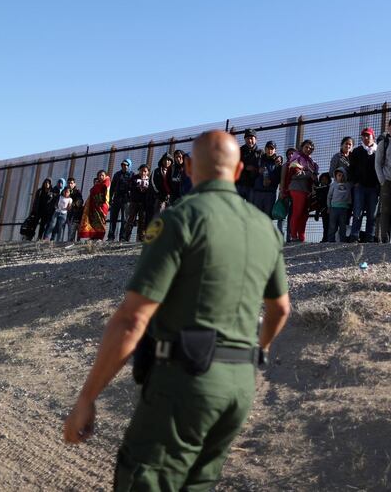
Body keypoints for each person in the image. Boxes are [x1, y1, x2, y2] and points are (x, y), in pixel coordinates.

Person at [63, 129, 291, 491]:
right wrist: (259, 348)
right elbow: (279, 309)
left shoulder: (179, 220)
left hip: (186, 380)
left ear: (187, 167)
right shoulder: (265, 228)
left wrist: (87, 397)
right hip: (240, 386)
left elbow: (132, 318)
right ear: (237, 172)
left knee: (144, 478)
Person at [348, 128, 380, 243]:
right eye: (364, 136)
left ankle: (370, 236)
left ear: (373, 137)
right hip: (360, 187)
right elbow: (351, 169)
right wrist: (355, 182)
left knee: (372, 214)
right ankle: (354, 236)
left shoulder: (378, 151)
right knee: (357, 212)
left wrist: (378, 184)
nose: (366, 138)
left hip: (373, 187)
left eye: (368, 136)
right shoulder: (357, 151)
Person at [285, 140, 318, 242]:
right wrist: (309, 174)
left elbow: (313, 175)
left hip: (307, 191)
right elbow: (295, 174)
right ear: (302, 147)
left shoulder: (311, 162)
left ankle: (301, 236)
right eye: (306, 147)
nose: (308, 149)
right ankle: (294, 235)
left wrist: (314, 176)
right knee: (297, 212)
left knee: (304, 215)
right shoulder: (297, 157)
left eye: (310, 148)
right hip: (297, 189)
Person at [250, 140, 282, 218]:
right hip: (257, 192)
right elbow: (252, 175)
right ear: (265, 149)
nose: (270, 150)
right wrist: (258, 171)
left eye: (272, 149)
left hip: (270, 194)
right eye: (268, 148)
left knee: (267, 219)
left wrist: (271, 181)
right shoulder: (259, 160)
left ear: (275, 150)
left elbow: (279, 178)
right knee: (255, 217)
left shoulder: (277, 163)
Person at [78, 170, 110, 240]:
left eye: (102, 175)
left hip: (102, 207)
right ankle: (94, 236)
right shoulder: (96, 185)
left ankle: (100, 237)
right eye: (99, 175)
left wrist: (101, 202)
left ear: (105, 176)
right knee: (94, 222)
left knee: (101, 222)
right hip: (94, 207)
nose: (101, 177)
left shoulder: (106, 183)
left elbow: (106, 195)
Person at [107, 159, 133, 241]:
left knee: (124, 219)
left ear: (129, 166)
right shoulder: (117, 174)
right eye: (123, 165)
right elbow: (112, 188)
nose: (124, 166)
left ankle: (122, 237)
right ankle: (111, 237)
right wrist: (110, 199)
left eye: (126, 165)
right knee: (113, 219)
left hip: (126, 200)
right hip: (117, 198)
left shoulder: (132, 175)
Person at [123, 164, 150, 242]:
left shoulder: (149, 180)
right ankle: (126, 237)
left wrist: (146, 190)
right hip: (134, 201)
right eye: (141, 170)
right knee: (131, 219)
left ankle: (140, 238)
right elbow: (129, 187)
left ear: (148, 172)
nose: (143, 172)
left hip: (144, 203)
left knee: (142, 220)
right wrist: (137, 187)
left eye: (145, 171)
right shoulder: (134, 178)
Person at [236, 128, 262, 201]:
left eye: (251, 138)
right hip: (239, 184)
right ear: (245, 139)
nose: (250, 140)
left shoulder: (260, 153)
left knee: (249, 208)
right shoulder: (239, 151)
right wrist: (245, 167)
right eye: (247, 138)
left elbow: (263, 167)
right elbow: (234, 164)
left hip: (253, 186)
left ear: (256, 139)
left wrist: (255, 169)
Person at [327, 167, 352, 242]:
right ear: (335, 176)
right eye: (339, 175)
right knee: (332, 225)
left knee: (343, 226)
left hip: (344, 209)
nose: (340, 177)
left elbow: (349, 195)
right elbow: (329, 196)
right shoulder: (333, 185)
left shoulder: (348, 185)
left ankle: (342, 241)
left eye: (342, 175)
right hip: (334, 208)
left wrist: (349, 204)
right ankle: (330, 240)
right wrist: (329, 207)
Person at [148, 153, 173, 226]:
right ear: (162, 161)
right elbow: (152, 183)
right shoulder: (156, 171)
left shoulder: (174, 171)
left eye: (169, 160)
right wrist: (158, 193)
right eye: (165, 160)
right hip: (159, 198)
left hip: (171, 198)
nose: (167, 161)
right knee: (158, 217)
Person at [278, 147, 296, 241]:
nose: (291, 155)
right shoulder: (285, 165)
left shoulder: (298, 165)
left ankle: (289, 238)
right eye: (289, 154)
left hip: (294, 194)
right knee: (282, 216)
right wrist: (281, 192)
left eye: (293, 153)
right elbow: (282, 179)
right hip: (285, 194)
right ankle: (280, 238)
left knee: (292, 217)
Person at [312, 172, 331, 242]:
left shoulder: (329, 188)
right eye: (322, 179)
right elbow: (318, 202)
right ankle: (325, 238)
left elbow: (318, 188)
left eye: (326, 179)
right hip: (323, 210)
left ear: (329, 180)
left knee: (330, 225)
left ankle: (329, 239)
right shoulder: (320, 189)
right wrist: (317, 213)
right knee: (325, 225)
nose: (324, 181)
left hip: (330, 209)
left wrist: (316, 183)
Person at [66, 178, 84, 242]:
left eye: (71, 183)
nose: (70, 184)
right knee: (71, 232)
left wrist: (72, 204)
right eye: (68, 183)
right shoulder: (65, 191)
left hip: (77, 215)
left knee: (77, 231)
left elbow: (80, 201)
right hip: (69, 214)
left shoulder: (77, 191)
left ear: (74, 184)